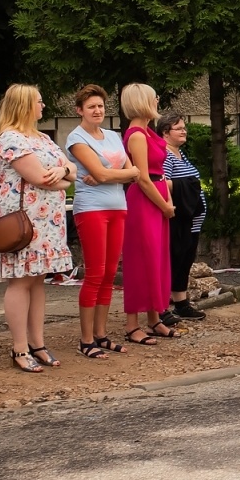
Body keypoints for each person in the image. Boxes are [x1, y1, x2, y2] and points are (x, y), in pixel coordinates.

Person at [0, 85, 75, 372]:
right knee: (21, 280)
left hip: (47, 221)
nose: (43, 106)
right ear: (25, 105)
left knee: (38, 279)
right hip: (24, 221)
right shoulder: (10, 139)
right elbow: (39, 177)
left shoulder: (42, 138)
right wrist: (61, 176)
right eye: (39, 102)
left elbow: (71, 170)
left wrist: (63, 172)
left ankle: (37, 344)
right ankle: (19, 347)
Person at [67, 85, 138, 356]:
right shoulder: (76, 138)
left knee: (109, 274)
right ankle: (86, 340)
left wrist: (109, 174)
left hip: (118, 206)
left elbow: (133, 171)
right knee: (95, 274)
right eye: (91, 107)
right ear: (79, 110)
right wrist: (112, 173)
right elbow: (121, 172)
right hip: (92, 209)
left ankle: (101, 334)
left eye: (100, 106)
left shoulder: (112, 135)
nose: (97, 111)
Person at [119, 84, 176, 347]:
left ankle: (154, 317)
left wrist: (168, 199)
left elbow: (159, 172)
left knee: (157, 258)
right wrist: (164, 204)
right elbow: (142, 177)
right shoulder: (137, 135)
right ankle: (132, 325)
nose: (157, 100)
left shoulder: (147, 131)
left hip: (158, 193)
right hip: (145, 201)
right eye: (154, 97)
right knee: (142, 259)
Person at [159, 114, 207, 324]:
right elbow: (161, 183)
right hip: (178, 219)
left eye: (184, 127)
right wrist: (189, 184)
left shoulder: (181, 154)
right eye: (178, 128)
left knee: (185, 262)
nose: (184, 131)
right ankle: (163, 307)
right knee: (174, 262)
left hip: (192, 222)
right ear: (165, 133)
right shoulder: (166, 156)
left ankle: (181, 304)